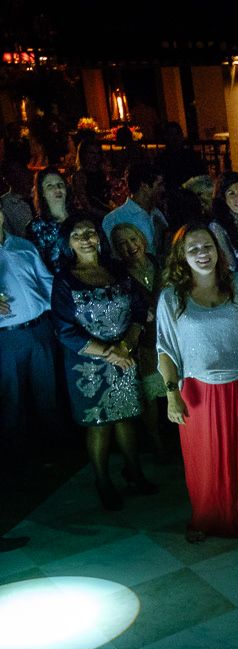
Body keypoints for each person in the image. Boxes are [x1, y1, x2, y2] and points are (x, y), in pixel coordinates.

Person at [156, 223, 238, 542]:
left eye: (207, 246)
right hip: (197, 393)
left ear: (217, 249)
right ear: (181, 256)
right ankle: (206, 518)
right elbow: (165, 351)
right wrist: (171, 394)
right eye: (193, 249)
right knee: (205, 463)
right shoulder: (172, 297)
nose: (202, 253)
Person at [52, 214, 151, 510]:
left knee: (126, 415)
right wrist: (110, 353)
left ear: (99, 237)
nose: (85, 239)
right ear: (68, 243)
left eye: (90, 232)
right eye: (77, 235)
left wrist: (126, 345)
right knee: (99, 423)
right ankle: (102, 480)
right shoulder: (65, 279)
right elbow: (64, 330)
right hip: (88, 363)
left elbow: (139, 308)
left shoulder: (117, 269)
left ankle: (134, 472)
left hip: (124, 354)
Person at [0, 207, 63, 538]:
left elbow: (48, 282)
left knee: (46, 395)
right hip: (5, 337)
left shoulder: (23, 246)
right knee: (12, 404)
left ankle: (54, 462)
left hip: (39, 328)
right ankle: (18, 468)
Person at [110, 223, 168, 458]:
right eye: (122, 244)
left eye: (133, 239)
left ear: (142, 238)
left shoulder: (159, 263)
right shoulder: (119, 276)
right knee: (150, 395)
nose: (130, 246)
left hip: (170, 335)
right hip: (143, 341)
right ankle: (156, 443)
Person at [101, 163, 169, 258]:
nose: (163, 189)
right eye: (159, 185)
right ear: (144, 186)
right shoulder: (115, 218)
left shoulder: (157, 214)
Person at [28, 167, 71, 274]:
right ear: (42, 192)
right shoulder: (36, 226)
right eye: (50, 186)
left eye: (60, 184)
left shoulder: (80, 217)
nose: (57, 189)